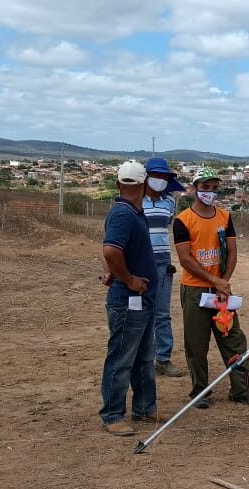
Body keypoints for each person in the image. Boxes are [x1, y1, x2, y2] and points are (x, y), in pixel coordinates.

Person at [173, 168, 249, 409]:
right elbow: (185, 258)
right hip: (195, 290)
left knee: (233, 339)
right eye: (205, 187)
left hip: (221, 291)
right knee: (196, 344)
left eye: (213, 188)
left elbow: (232, 251)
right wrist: (214, 282)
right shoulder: (183, 220)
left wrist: (224, 281)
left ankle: (242, 390)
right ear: (194, 189)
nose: (210, 192)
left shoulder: (224, 216)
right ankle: (200, 391)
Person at [98, 161, 159, 435]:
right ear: (144, 184)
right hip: (128, 300)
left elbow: (112, 252)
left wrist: (113, 271)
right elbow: (111, 250)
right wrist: (128, 279)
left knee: (144, 356)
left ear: (118, 184)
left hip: (141, 300)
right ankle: (112, 414)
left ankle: (144, 407)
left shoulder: (133, 212)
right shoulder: (123, 214)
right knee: (122, 357)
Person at [141, 157, 187, 378]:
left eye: (163, 176)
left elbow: (165, 226)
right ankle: (142, 359)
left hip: (162, 263)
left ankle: (163, 359)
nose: (159, 179)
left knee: (162, 313)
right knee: (140, 313)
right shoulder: (136, 201)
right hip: (140, 262)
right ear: (146, 177)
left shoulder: (170, 201)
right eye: (155, 175)